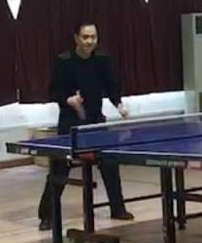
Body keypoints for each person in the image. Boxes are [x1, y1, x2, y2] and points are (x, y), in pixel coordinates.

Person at [37, 20, 134, 230]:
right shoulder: (63, 61)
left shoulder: (103, 59)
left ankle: (118, 209)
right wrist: (68, 100)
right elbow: (54, 91)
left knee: (109, 163)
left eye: (93, 37)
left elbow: (111, 86)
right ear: (76, 38)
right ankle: (47, 216)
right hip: (70, 124)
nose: (90, 41)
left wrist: (119, 104)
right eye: (85, 37)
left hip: (95, 122)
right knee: (59, 169)